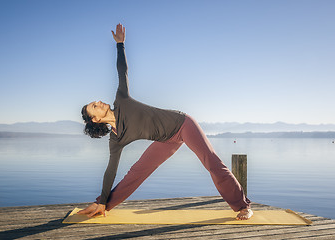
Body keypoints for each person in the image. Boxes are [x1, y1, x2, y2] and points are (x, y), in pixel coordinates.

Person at [78, 23, 253, 220]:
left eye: (96, 101)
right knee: (136, 172)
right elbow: (110, 171)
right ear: (96, 119)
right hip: (166, 140)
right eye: (94, 106)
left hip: (182, 124)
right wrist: (102, 200)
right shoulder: (116, 139)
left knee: (211, 162)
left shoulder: (122, 100)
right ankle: (102, 206)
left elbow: (122, 71)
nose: (99, 102)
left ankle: (242, 206)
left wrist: (120, 45)